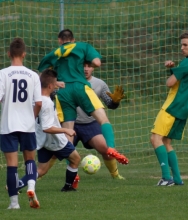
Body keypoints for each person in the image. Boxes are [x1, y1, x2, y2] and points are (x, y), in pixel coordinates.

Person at [37, 29, 128, 165]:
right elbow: (97, 63)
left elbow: (42, 75)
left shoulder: (52, 54)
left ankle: (73, 171)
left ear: (59, 41)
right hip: (81, 87)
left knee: (68, 131)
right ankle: (111, 148)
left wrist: (55, 82)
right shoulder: (83, 46)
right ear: (73, 40)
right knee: (103, 120)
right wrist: (82, 62)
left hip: (63, 91)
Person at [150, 31, 188, 186]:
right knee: (166, 142)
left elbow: (170, 83)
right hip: (184, 107)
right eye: (181, 45)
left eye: (185, 45)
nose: (182, 48)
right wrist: (174, 68)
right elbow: (183, 79)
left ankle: (166, 178)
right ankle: (178, 179)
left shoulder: (187, 63)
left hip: (172, 106)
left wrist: (172, 72)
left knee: (155, 138)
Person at [18, 69, 81, 192]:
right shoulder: (46, 103)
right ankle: (68, 187)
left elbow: (44, 81)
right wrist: (66, 130)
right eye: (54, 84)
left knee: (41, 170)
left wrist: (56, 83)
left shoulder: (35, 98)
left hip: (41, 139)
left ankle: (16, 185)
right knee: (76, 159)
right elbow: (47, 128)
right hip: (54, 140)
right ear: (50, 85)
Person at [0, 38, 42, 209]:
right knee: (30, 160)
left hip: (8, 125)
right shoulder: (33, 75)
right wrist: (31, 118)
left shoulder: (2, 73)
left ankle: (14, 203)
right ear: (24, 54)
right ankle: (31, 187)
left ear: (9, 54)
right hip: (27, 125)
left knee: (12, 164)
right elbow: (38, 103)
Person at [73, 62, 125, 181]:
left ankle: (115, 175)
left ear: (93, 67)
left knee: (105, 149)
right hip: (71, 123)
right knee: (58, 151)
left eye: (89, 66)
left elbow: (110, 104)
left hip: (91, 124)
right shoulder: (70, 82)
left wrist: (115, 102)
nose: (86, 69)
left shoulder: (100, 84)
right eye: (83, 66)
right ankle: (39, 175)